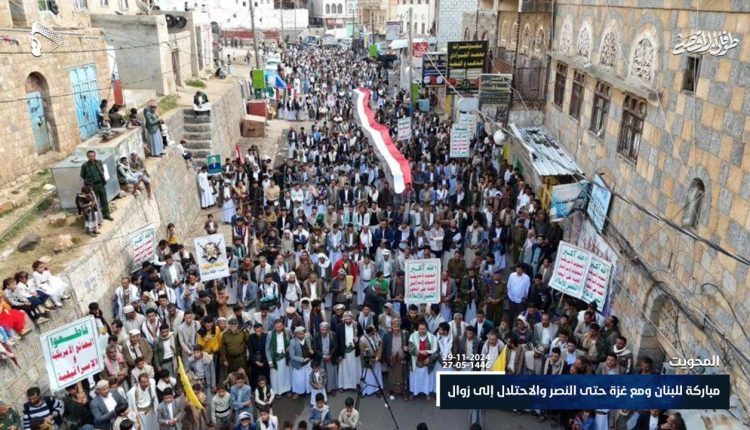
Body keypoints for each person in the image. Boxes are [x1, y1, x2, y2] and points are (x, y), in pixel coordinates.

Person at [79, 150, 113, 221]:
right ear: (87, 157)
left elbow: (102, 170)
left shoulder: (99, 162)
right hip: (93, 187)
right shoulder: (85, 165)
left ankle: (106, 214)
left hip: (101, 184)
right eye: (90, 156)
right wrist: (89, 182)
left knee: (104, 200)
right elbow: (82, 175)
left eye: (93, 156)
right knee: (94, 202)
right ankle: (98, 218)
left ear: (95, 156)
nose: (92, 157)